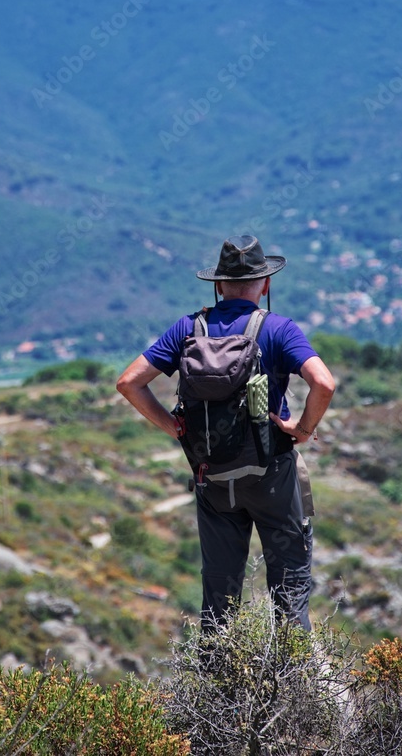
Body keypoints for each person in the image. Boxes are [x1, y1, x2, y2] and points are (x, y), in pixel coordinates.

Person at [116, 235, 335, 631]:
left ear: (218, 285)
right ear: (265, 284)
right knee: (290, 584)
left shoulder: (188, 327)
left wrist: (172, 426)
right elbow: (324, 383)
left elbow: (129, 382)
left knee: (219, 596)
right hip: (271, 476)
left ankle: (218, 682)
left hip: (212, 479)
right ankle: (295, 681)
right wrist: (302, 429)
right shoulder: (279, 329)